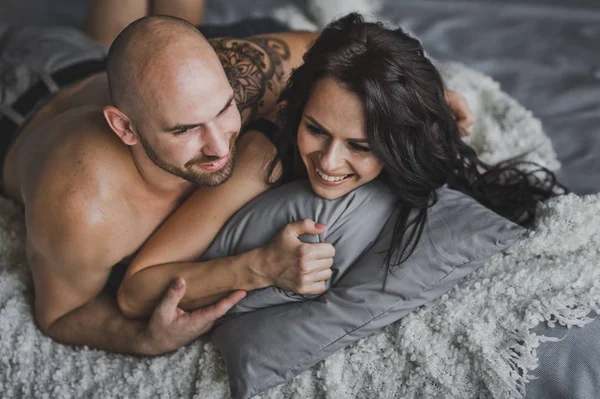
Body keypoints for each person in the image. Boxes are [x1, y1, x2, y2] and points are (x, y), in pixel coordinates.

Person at [0, 10, 476, 354]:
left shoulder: (239, 77)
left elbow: (334, 49)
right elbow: (59, 316)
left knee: (137, 36)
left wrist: (415, 100)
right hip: (20, 97)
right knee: (64, 44)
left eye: (224, 110)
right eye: (185, 130)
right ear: (125, 129)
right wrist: (142, 338)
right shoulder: (85, 205)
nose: (219, 146)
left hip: (102, 77)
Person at [117, 13, 565, 319]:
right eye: (315, 129)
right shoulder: (262, 159)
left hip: (282, 47)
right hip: (248, 42)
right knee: (111, 41)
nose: (329, 162)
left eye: (359, 145)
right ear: (300, 110)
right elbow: (135, 291)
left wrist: (433, 108)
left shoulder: (411, 131)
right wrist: (258, 268)